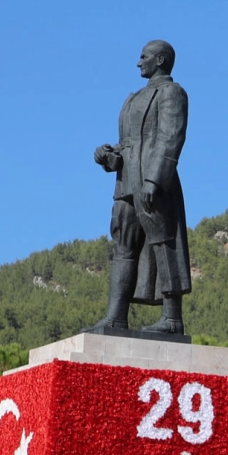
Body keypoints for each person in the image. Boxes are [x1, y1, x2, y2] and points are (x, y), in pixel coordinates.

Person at [88, 40, 192, 336]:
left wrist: (155, 180)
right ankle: (115, 318)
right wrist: (110, 156)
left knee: (164, 243)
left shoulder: (172, 93)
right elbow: (130, 143)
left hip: (153, 182)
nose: (138, 62)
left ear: (160, 60)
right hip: (125, 182)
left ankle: (172, 319)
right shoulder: (132, 98)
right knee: (123, 245)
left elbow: (171, 138)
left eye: (143, 56)